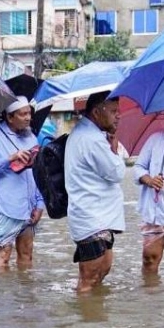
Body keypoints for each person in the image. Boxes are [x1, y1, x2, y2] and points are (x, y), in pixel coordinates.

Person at [65, 91, 125, 293]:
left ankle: (92, 320)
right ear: (98, 112)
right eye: (114, 111)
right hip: (92, 219)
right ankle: (84, 321)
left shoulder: (88, 134)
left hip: (98, 218)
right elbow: (116, 172)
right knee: (89, 281)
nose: (119, 115)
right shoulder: (91, 139)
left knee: (100, 273)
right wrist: (114, 150)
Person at [0, 95, 45, 269]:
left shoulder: (31, 137)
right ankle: (2, 295)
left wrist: (39, 204)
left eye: (29, 113)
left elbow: (36, 172)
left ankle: (24, 294)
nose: (28, 118)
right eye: (22, 114)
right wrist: (10, 159)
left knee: (27, 253)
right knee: (3, 255)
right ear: (10, 117)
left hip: (29, 206)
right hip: (7, 207)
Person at [133, 131, 164, 274]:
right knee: (149, 259)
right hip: (155, 212)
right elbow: (138, 167)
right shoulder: (155, 139)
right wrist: (150, 180)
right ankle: (149, 294)